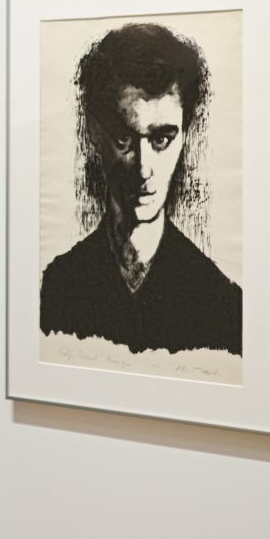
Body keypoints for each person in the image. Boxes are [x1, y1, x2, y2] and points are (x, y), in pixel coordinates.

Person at [40, 22, 242, 355]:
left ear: (186, 135)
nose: (144, 168)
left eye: (162, 139)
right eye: (124, 139)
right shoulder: (58, 283)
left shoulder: (220, 299)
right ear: (93, 131)